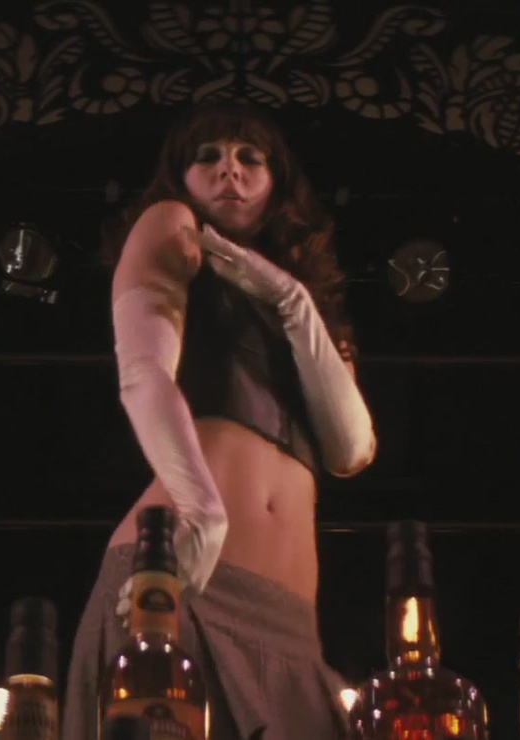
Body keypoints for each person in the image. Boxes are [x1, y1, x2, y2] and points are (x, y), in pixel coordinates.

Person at [62, 102, 377, 739]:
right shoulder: (173, 226)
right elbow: (142, 373)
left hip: (290, 622)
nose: (228, 169)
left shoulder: (310, 300)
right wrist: (201, 509)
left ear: (278, 180)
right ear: (180, 176)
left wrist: (294, 304)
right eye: (206, 156)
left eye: (249, 157)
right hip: (183, 578)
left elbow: (351, 449)